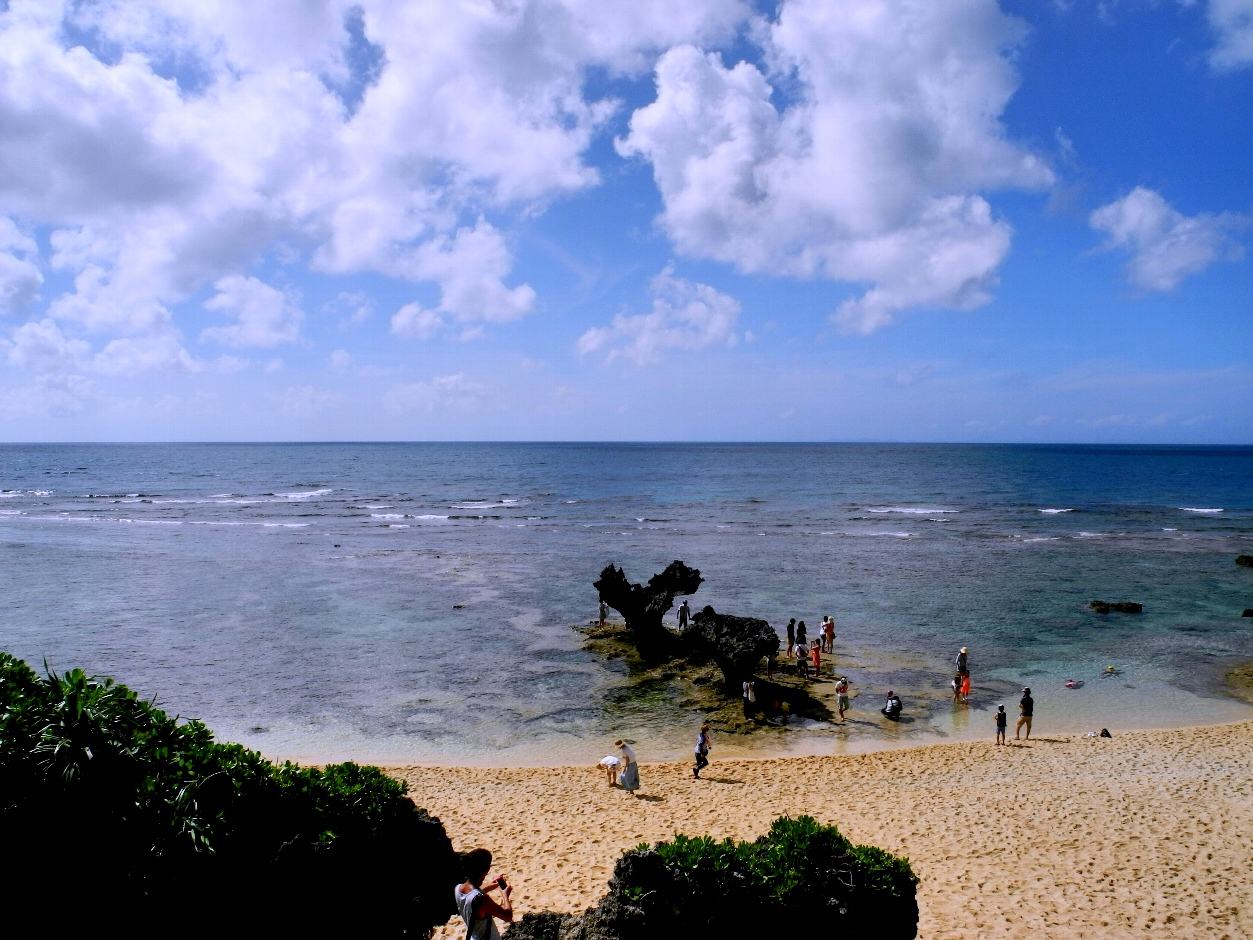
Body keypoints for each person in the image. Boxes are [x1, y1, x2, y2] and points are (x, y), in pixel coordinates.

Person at [455, 848, 514, 940]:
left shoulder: (458, 889)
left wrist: (488, 887)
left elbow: (471, 899)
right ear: (486, 870)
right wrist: (505, 896)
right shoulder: (483, 900)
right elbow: (508, 916)